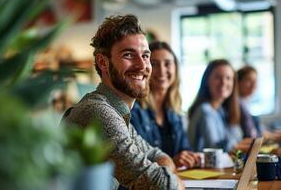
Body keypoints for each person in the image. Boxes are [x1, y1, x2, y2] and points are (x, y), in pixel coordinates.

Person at [62, 15, 184, 190]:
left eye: (145, 55)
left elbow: (158, 155)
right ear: (103, 63)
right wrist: (171, 180)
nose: (142, 65)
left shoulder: (118, 113)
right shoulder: (98, 112)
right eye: (128, 55)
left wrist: (163, 176)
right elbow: (162, 185)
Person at [131, 41, 200, 169]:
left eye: (167, 64)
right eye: (154, 64)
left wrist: (188, 157)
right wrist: (172, 162)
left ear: (175, 69)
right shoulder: (134, 110)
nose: (162, 70)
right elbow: (137, 162)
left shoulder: (175, 112)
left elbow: (184, 149)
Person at [188, 59, 244, 152]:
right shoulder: (204, 110)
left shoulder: (221, 110)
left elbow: (237, 136)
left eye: (228, 78)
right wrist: (244, 145)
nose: (223, 82)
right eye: (218, 77)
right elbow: (214, 149)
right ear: (207, 81)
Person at [237, 65, 281, 140]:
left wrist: (274, 134)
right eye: (249, 80)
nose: (254, 85)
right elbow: (251, 134)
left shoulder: (245, 102)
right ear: (238, 82)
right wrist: (274, 136)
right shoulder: (238, 104)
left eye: (255, 81)